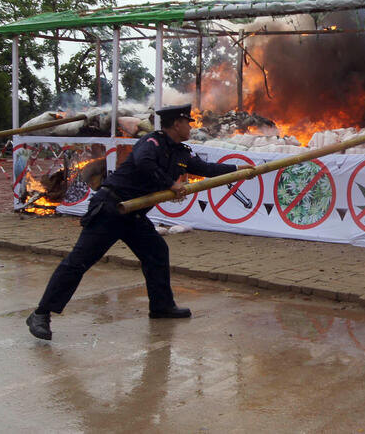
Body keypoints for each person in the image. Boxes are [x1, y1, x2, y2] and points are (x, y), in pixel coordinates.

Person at [26, 104, 253, 340]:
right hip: (111, 210)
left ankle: (161, 307)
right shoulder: (151, 143)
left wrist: (239, 169)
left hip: (134, 215)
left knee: (156, 251)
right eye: (188, 122)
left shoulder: (180, 152)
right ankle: (41, 314)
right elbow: (145, 164)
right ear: (177, 123)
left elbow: (206, 168)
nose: (190, 127)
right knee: (79, 261)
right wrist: (170, 184)